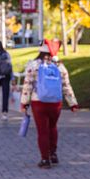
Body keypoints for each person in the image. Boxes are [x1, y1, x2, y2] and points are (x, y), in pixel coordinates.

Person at [20, 40, 79, 169]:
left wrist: (24, 102)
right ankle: (53, 154)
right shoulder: (60, 66)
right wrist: (72, 103)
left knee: (42, 131)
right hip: (55, 103)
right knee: (52, 127)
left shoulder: (33, 65)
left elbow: (27, 86)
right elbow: (66, 86)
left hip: (39, 102)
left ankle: (45, 159)